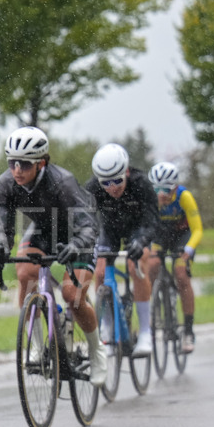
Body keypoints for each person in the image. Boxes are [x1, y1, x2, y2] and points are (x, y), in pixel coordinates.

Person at [0, 127, 106, 386]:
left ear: (41, 163)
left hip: (78, 236)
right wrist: (0, 247)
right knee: (24, 273)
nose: (17, 169)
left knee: (72, 295)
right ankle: (38, 343)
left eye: (24, 164)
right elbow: (4, 228)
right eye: (12, 162)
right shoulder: (6, 183)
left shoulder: (62, 182)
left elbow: (88, 226)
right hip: (43, 231)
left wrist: (76, 244)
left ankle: (97, 350)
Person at [85, 143, 160, 358]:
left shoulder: (141, 183)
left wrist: (143, 240)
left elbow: (153, 221)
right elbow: (82, 218)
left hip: (138, 229)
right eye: (105, 182)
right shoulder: (93, 188)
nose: (112, 187)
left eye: (117, 180)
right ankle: (108, 328)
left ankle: (145, 330)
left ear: (126, 172)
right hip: (110, 230)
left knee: (136, 264)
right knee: (99, 271)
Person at [147, 161, 201, 352]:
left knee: (181, 274)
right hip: (161, 235)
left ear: (175, 187)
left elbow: (197, 229)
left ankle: (188, 330)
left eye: (166, 189)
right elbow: (146, 226)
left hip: (182, 237)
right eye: (157, 189)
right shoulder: (151, 198)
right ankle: (154, 302)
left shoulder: (184, 196)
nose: (162, 193)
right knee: (151, 264)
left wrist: (189, 250)